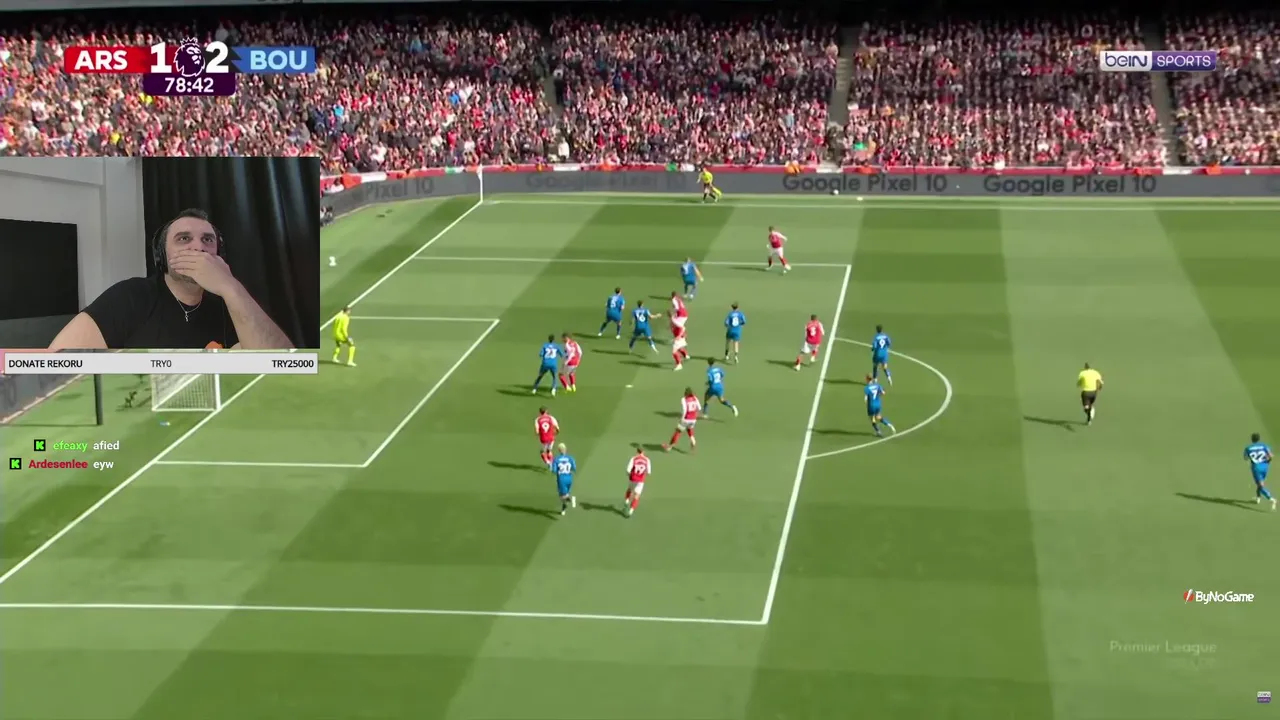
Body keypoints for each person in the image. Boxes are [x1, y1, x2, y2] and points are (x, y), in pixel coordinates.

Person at [48, 209, 293, 350]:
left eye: (207, 240)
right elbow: (57, 362)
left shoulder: (232, 303)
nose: (198, 248)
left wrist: (231, 288)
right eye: (184, 239)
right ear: (162, 256)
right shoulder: (130, 297)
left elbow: (282, 366)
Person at [663, 387, 702, 453]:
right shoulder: (695, 398)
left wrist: (682, 418)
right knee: (689, 429)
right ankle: (693, 441)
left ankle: (669, 447)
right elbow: (699, 408)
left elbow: (684, 410)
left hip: (686, 419)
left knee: (678, 432)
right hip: (693, 419)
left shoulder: (684, 399)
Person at [1244, 433, 1275, 510]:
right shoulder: (1264, 445)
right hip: (1265, 467)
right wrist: (1267, 461)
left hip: (1256, 468)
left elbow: (1245, 458)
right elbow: (1271, 456)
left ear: (1252, 439)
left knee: (1260, 485)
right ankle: (1258, 498)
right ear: (1259, 439)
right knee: (1260, 484)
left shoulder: (1248, 448)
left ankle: (1271, 499)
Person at [623, 446, 651, 518]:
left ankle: (626, 501)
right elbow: (648, 472)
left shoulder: (633, 458)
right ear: (643, 452)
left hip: (632, 478)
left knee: (629, 489)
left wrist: (629, 475)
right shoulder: (647, 460)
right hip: (640, 481)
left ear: (637, 451)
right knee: (637, 496)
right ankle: (631, 510)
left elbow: (628, 470)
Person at [552, 443, 577, 515]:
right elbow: (574, 468)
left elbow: (554, 470)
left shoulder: (556, 459)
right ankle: (564, 508)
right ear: (565, 449)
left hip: (561, 479)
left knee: (562, 496)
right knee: (565, 494)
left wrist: (551, 466)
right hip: (569, 478)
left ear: (559, 450)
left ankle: (572, 499)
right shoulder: (570, 458)